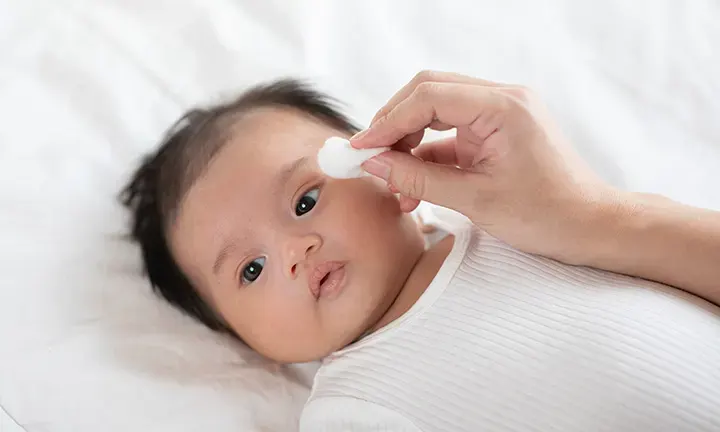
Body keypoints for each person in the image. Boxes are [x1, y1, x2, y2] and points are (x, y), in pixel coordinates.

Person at [120, 74, 720, 432]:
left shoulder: (516, 220)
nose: (296, 252)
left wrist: (594, 214)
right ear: (244, 341)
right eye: (252, 270)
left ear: (377, 159)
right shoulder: (349, 411)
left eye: (305, 200)